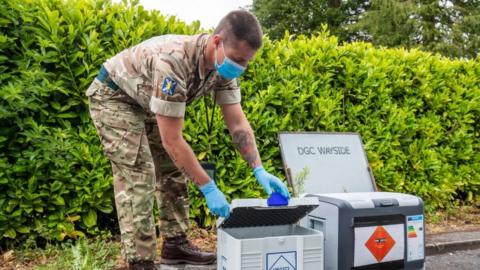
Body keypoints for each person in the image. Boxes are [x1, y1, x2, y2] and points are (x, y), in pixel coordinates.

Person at [85, 10, 290, 270]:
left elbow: (237, 123)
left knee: (173, 169)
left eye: (246, 62)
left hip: (147, 102)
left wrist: (259, 169)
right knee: (139, 173)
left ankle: (175, 246)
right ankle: (141, 261)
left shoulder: (224, 68)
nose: (240, 67)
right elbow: (172, 140)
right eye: (238, 59)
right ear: (217, 42)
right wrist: (208, 187)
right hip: (114, 97)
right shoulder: (173, 61)